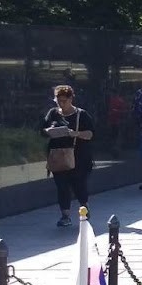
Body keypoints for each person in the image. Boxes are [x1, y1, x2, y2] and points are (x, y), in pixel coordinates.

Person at [43, 85, 95, 227]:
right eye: (58, 101)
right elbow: (42, 129)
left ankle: (84, 206)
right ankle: (65, 215)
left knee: (79, 184)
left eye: (64, 101)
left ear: (71, 99)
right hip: (57, 155)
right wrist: (49, 131)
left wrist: (75, 134)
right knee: (62, 186)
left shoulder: (81, 114)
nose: (61, 104)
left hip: (78, 156)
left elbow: (90, 134)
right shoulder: (53, 113)